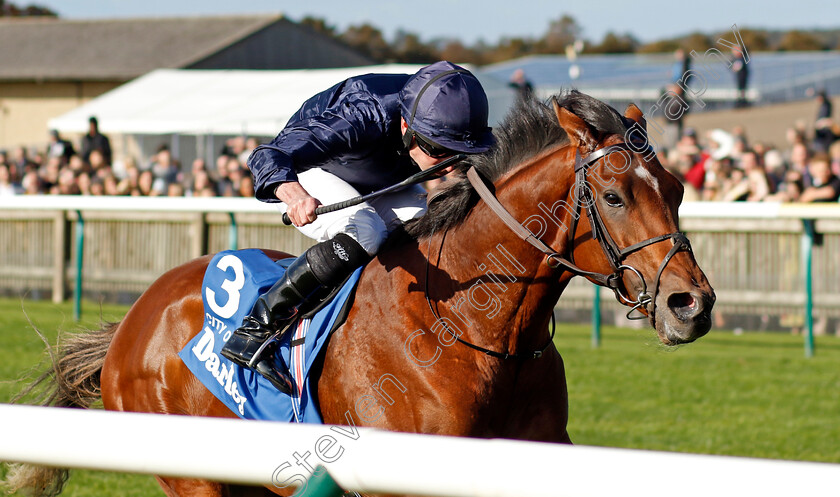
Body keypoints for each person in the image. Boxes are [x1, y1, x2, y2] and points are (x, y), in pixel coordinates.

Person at [223, 61, 495, 392]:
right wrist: (294, 196)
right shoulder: (359, 115)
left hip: (376, 176)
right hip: (314, 171)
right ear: (407, 124)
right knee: (366, 230)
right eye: (438, 150)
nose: (448, 165)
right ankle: (255, 329)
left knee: (432, 225)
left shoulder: (441, 116)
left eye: (459, 153)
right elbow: (267, 154)